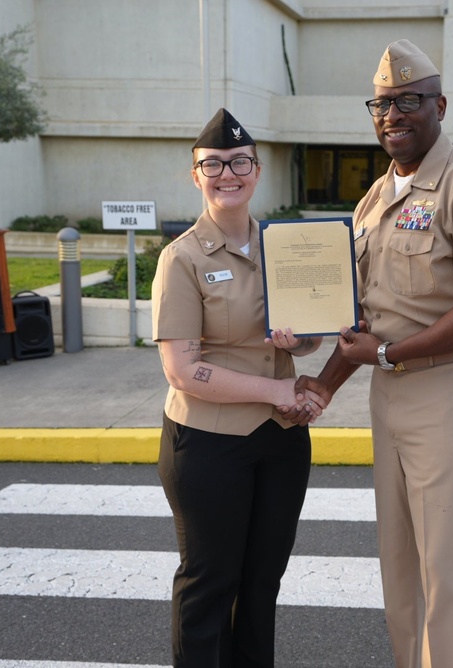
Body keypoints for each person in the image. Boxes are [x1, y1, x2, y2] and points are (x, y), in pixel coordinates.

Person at [286, 40, 453, 668]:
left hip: (452, 395)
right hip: (389, 397)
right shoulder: (372, 201)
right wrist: (323, 385)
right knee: (401, 570)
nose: (392, 114)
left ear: (440, 105)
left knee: (452, 576)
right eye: (382, 104)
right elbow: (362, 318)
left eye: (408, 101)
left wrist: (390, 353)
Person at [150, 107, 326, 668]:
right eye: (214, 165)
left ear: (257, 169)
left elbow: (307, 341)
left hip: (280, 442)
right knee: (209, 585)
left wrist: (298, 344)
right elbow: (181, 369)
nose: (229, 173)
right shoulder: (180, 259)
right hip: (207, 444)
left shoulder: (285, 246)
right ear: (196, 174)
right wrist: (276, 392)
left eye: (240, 162)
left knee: (261, 584)